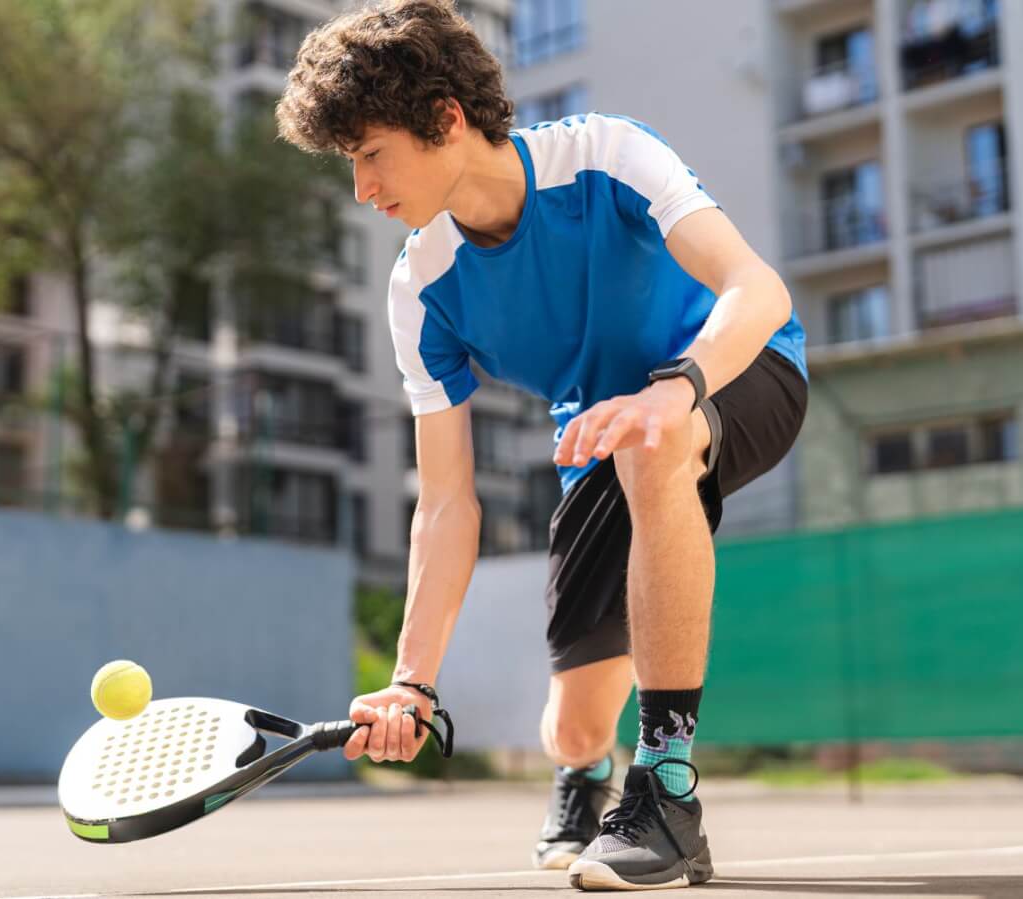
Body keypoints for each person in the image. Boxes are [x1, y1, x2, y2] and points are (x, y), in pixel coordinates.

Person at [275, 1, 807, 890]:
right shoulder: (421, 288)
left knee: (653, 440)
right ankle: (586, 772)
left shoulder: (607, 154)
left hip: (739, 369)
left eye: (370, 154)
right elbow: (447, 501)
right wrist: (412, 681)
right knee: (572, 726)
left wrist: (675, 388)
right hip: (601, 437)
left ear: (444, 117)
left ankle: (666, 787)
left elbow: (758, 288)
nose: (362, 188)